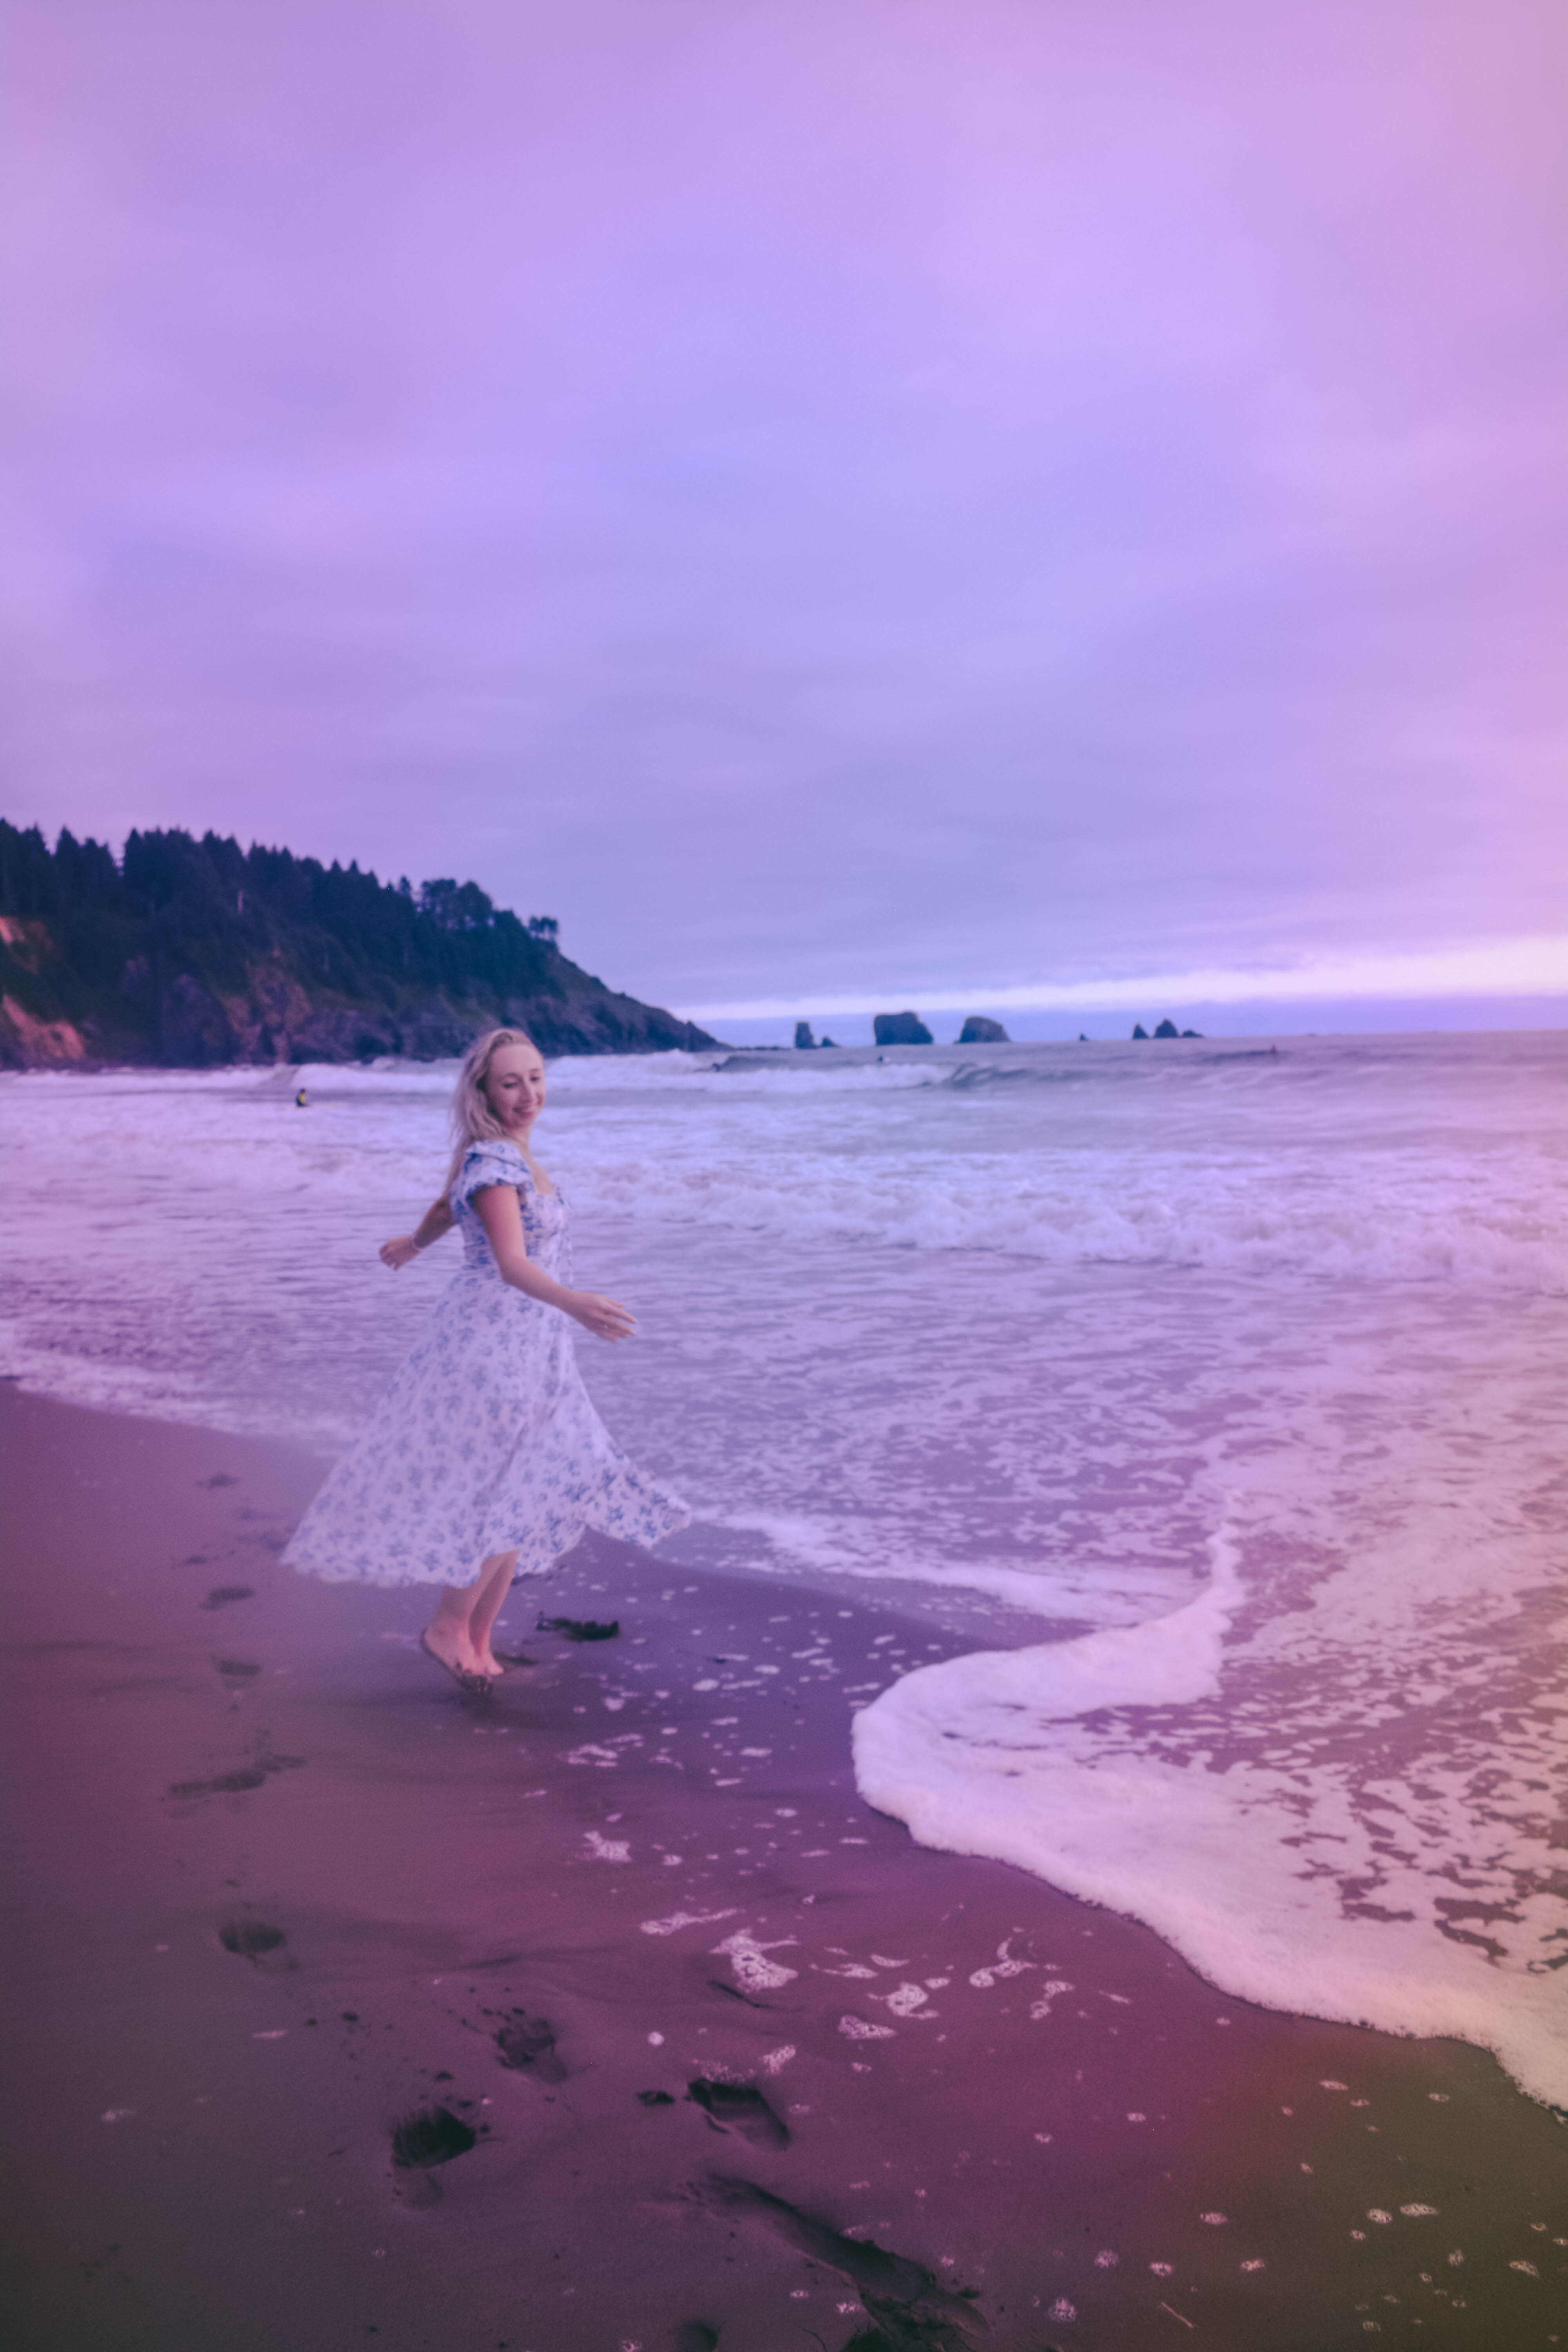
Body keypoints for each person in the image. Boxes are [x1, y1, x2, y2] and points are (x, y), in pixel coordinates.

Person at [282, 1028, 690, 1693]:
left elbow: (450, 1204)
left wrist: (413, 1244)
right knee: (508, 1491)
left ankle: (475, 1636)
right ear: (483, 1090)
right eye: (511, 1082)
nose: (529, 1093)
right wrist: (577, 1304)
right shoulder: (498, 1163)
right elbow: (511, 1265)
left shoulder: (497, 1157)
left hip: (532, 1347)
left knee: (526, 1491)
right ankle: (449, 1626)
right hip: (496, 1346)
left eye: (535, 1077)